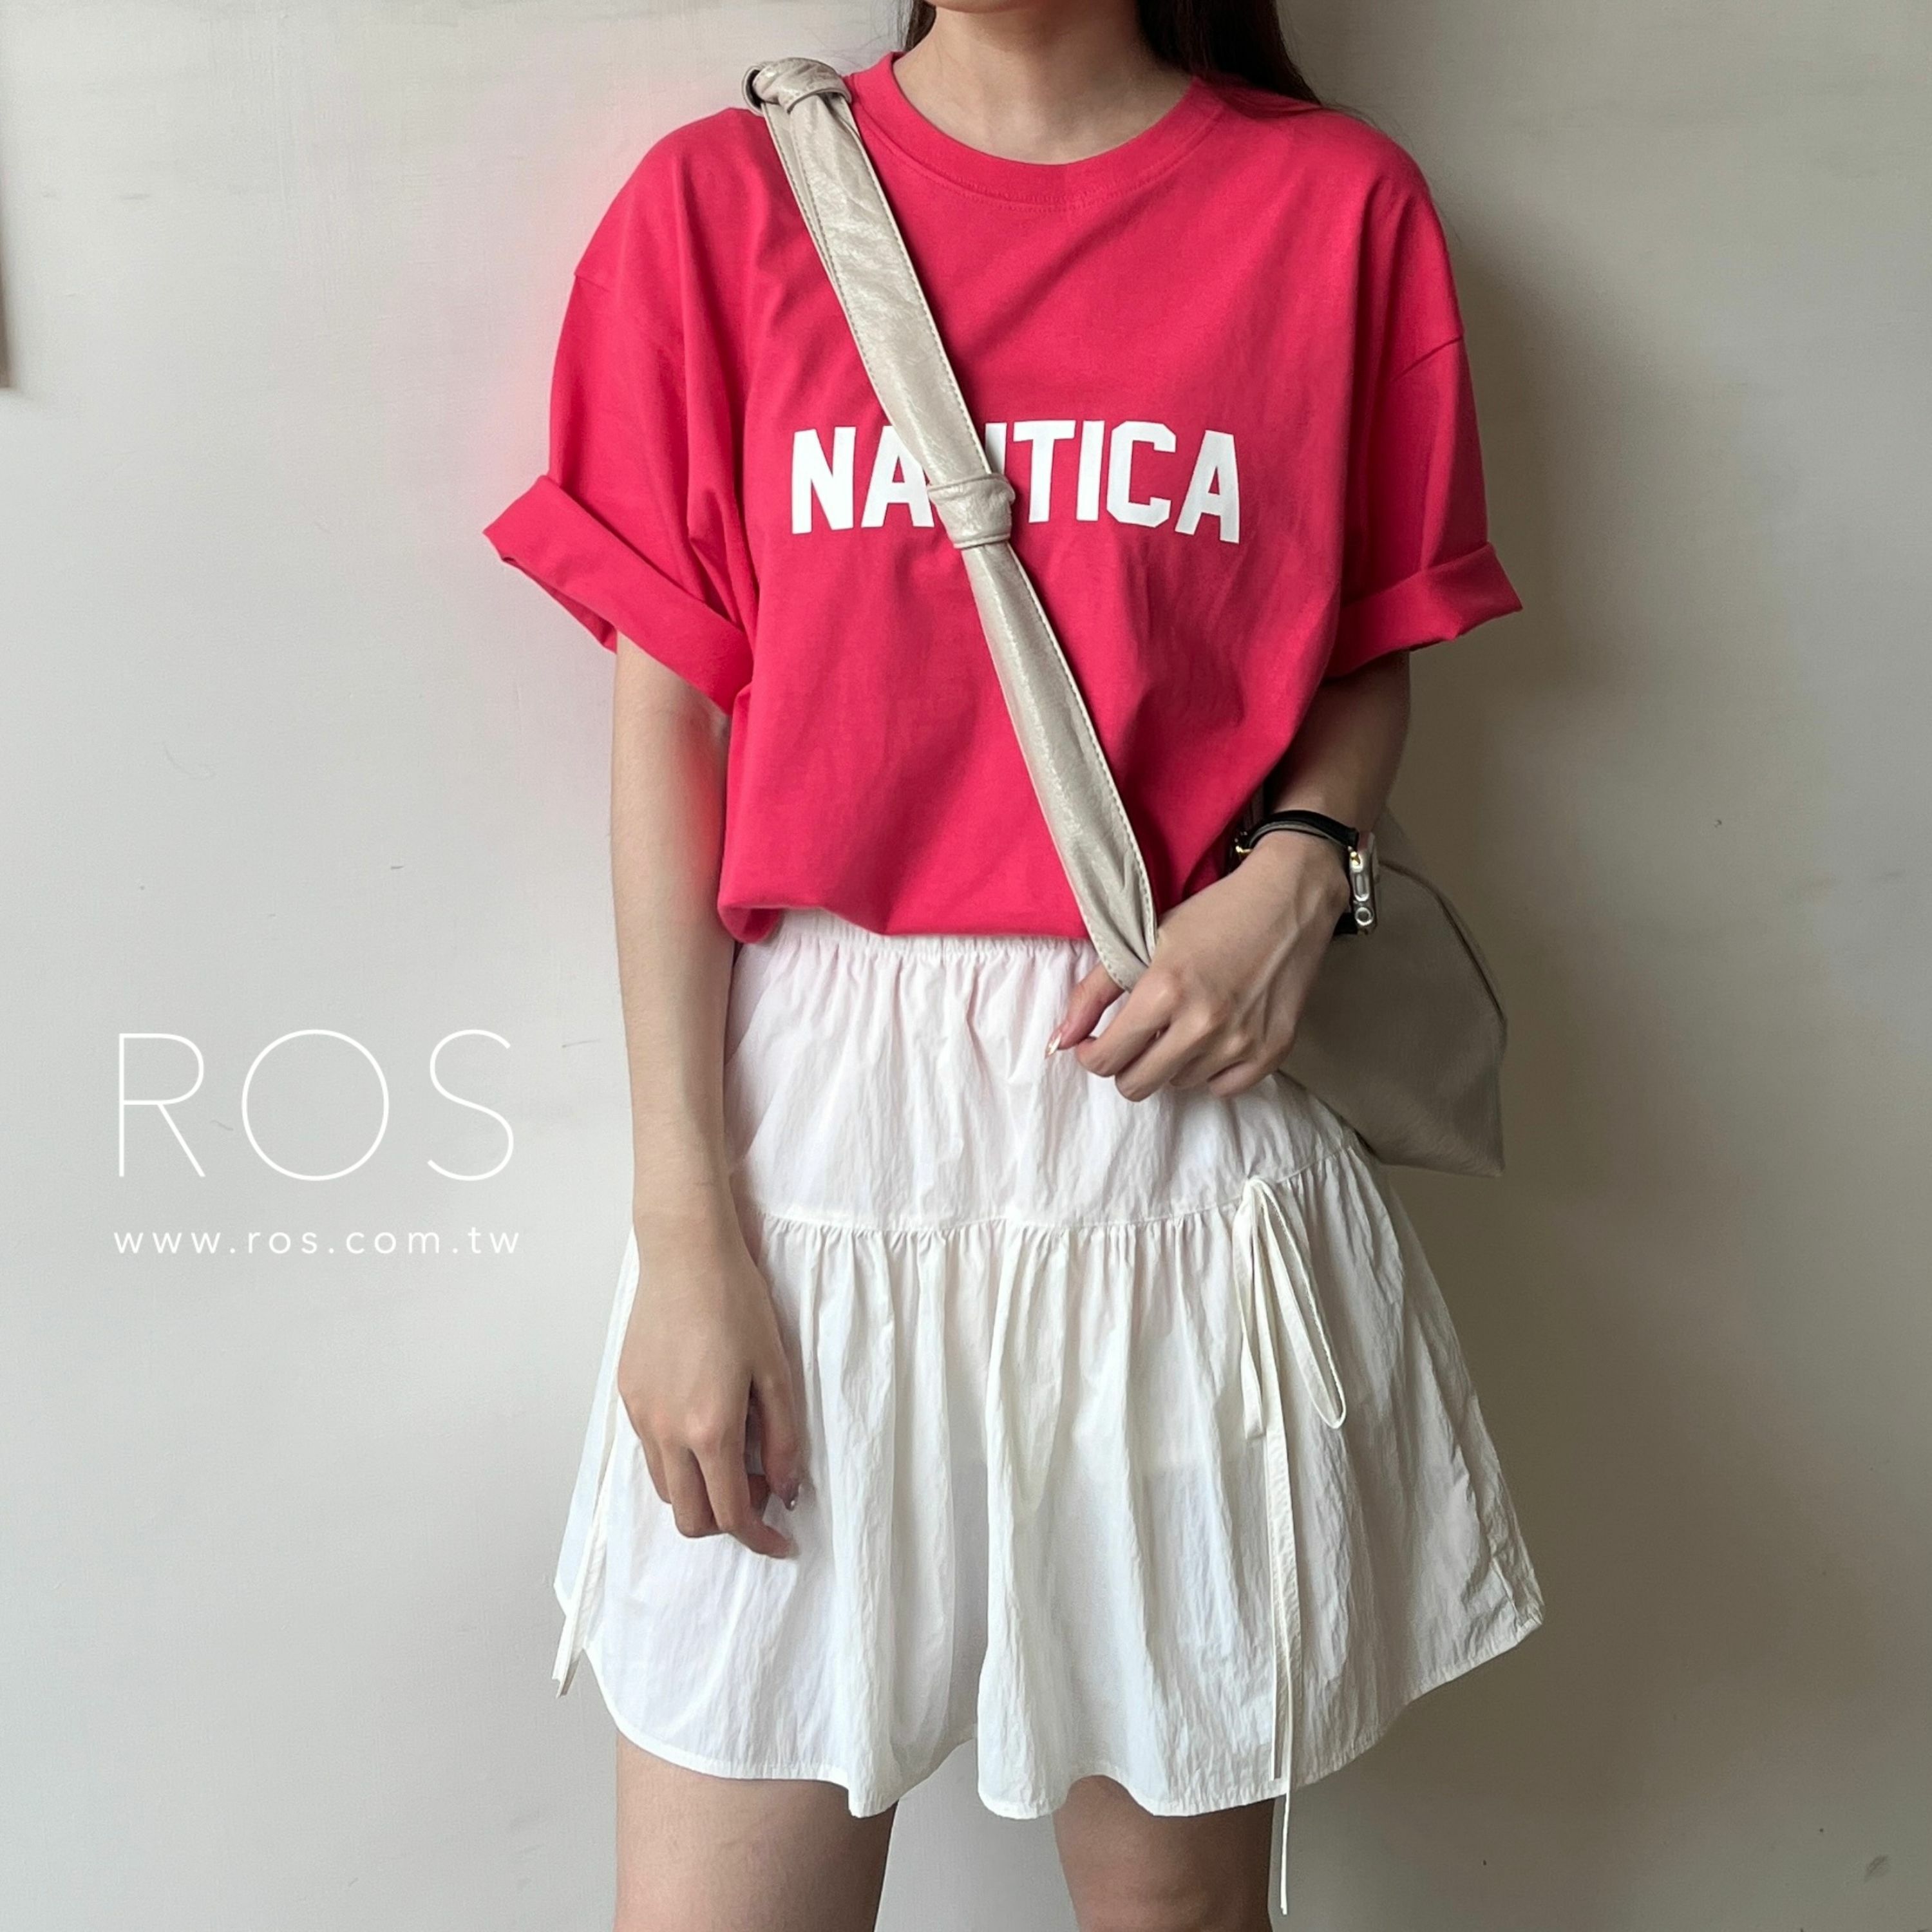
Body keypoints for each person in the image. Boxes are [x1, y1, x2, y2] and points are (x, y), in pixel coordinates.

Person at [484, 1, 1543, 1925]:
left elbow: (1366, 639)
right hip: (812, 1138)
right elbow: (670, 733)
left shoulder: (1334, 210)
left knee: (1177, 1911)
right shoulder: (720, 207)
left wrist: (1300, 877)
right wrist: (686, 1230)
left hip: (1170, 1118)